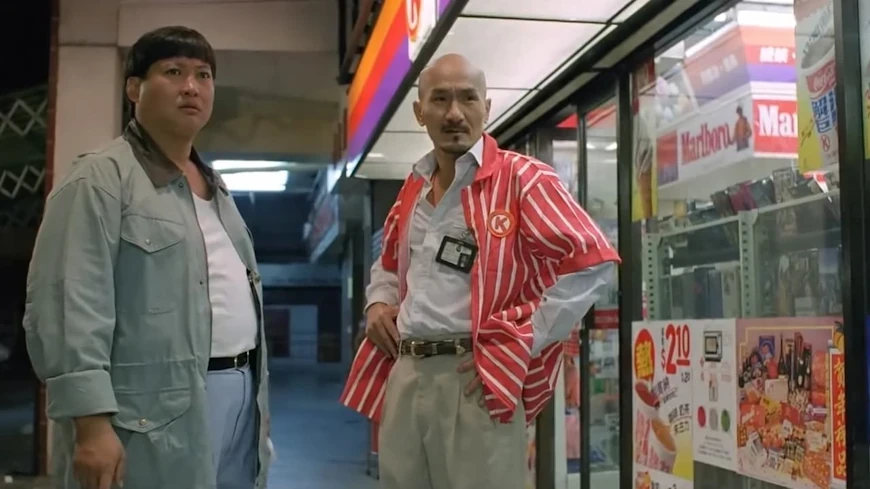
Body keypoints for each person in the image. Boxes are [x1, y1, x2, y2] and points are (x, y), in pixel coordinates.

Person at [340, 53, 621, 489]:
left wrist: (523, 340)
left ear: (486, 108)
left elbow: (594, 262)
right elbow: (390, 263)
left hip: (474, 378)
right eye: (440, 99)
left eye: (468, 98)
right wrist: (378, 302)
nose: (455, 113)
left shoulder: (523, 178)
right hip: (406, 373)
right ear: (419, 112)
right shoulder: (413, 186)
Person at [23, 26, 270, 489]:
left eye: (203, 75)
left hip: (240, 393)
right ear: (134, 89)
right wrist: (91, 423)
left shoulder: (217, 189)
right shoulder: (100, 179)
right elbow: (68, 302)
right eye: (173, 72)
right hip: (149, 412)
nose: (191, 87)